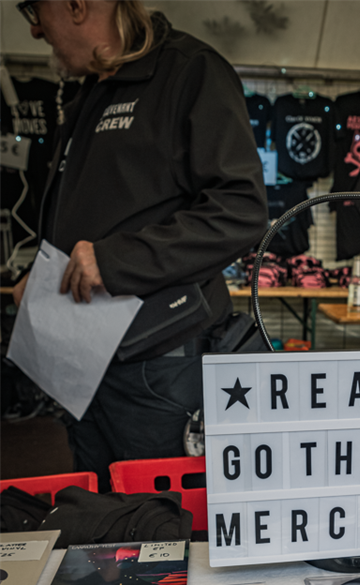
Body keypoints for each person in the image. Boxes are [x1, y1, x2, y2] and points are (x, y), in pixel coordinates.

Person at [12, 0, 267, 490]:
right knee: (99, 520)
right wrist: (45, 277)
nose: (37, 30)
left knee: (159, 523)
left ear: (76, 5)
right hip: (86, 366)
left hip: (158, 366)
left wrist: (115, 261)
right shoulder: (91, 90)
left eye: (35, 10)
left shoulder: (189, 72)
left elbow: (241, 210)